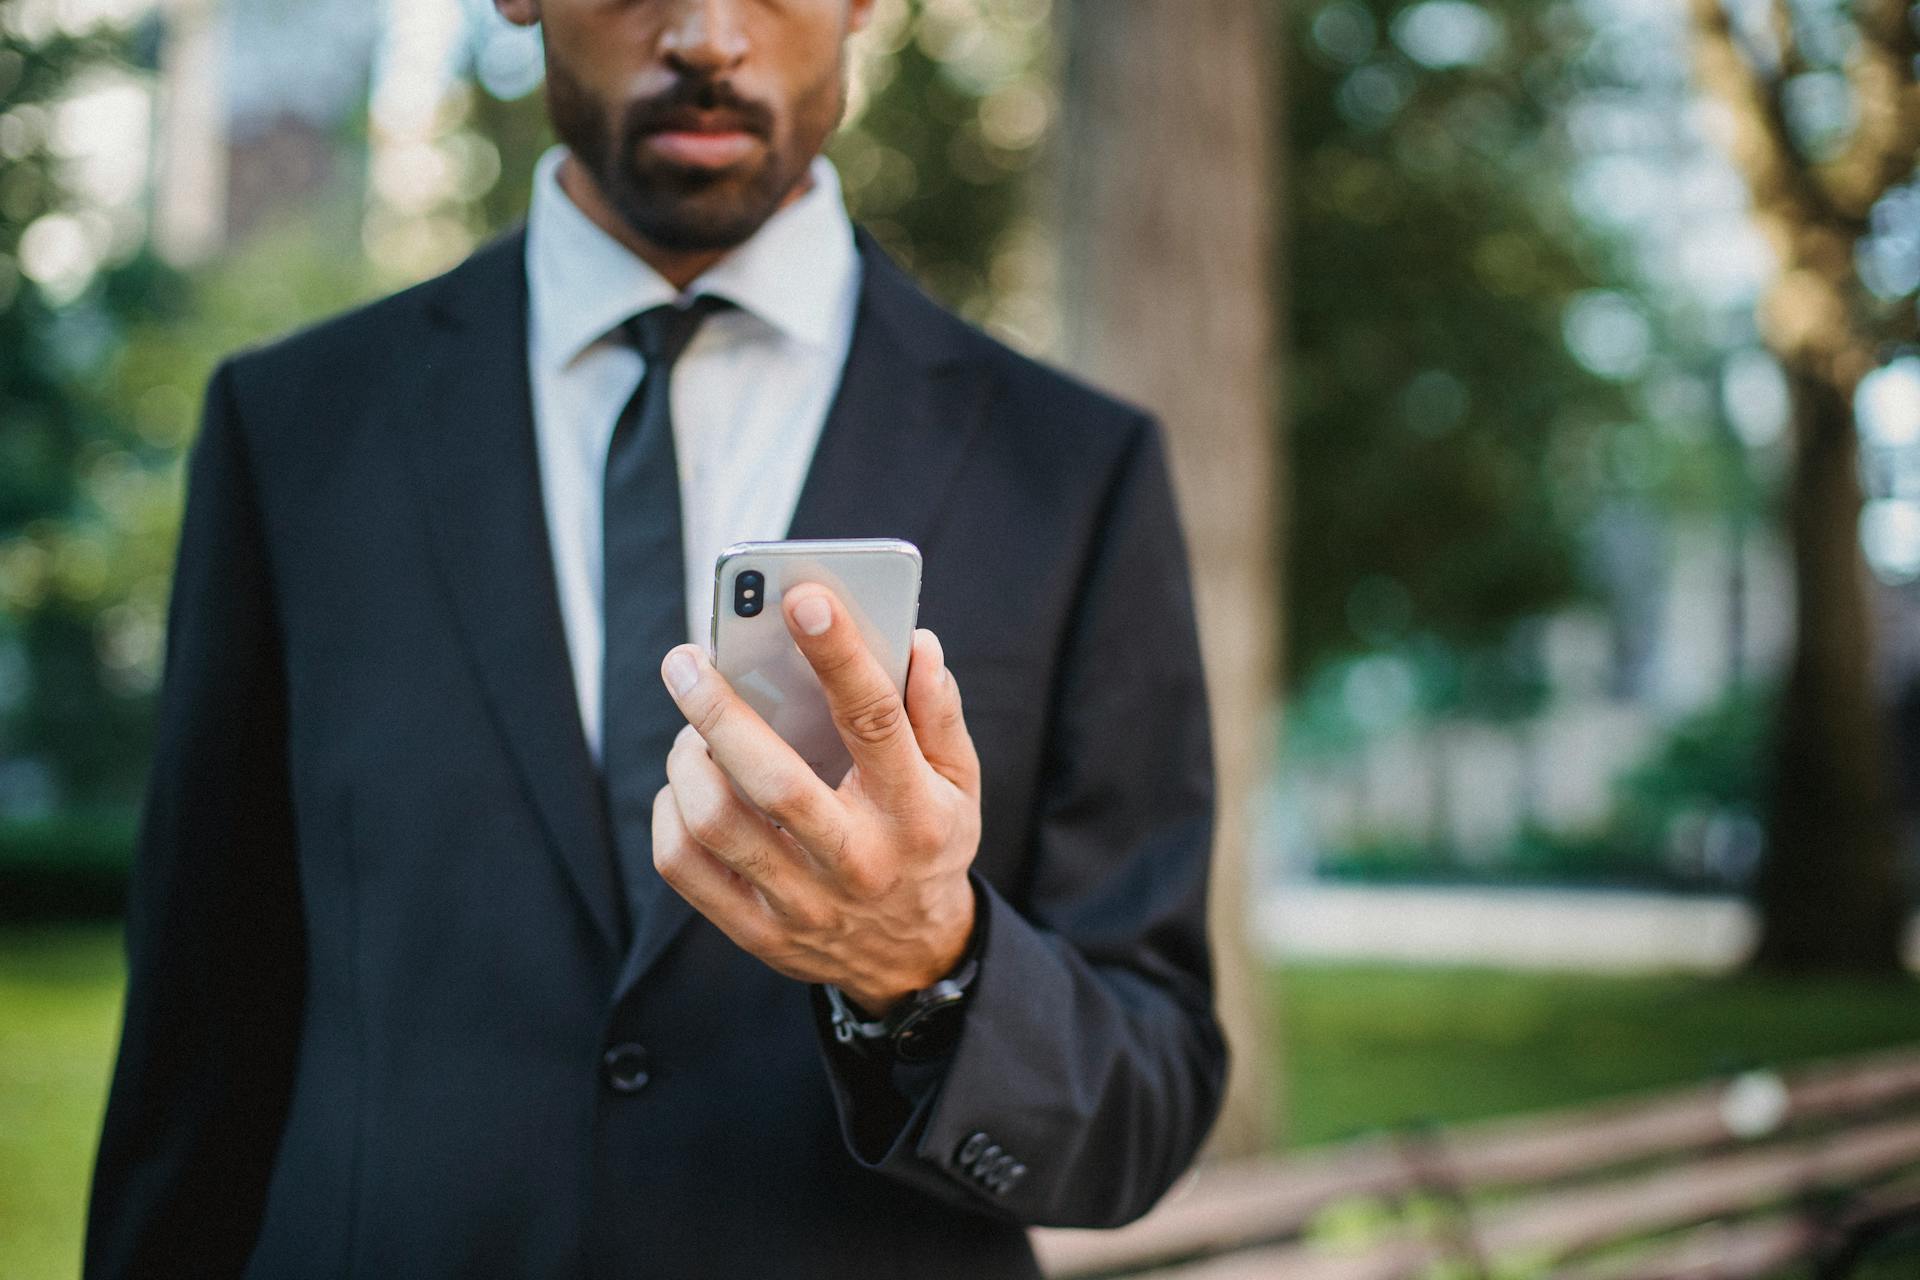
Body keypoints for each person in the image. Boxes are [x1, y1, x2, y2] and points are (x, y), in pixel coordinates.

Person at [85, 1, 1227, 1276]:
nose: (704, 35)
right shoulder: (292, 427)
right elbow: (199, 1049)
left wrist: (925, 965)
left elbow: (1147, 1098)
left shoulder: (1073, 467)